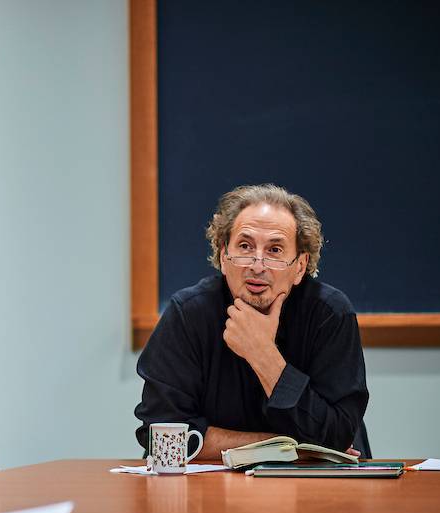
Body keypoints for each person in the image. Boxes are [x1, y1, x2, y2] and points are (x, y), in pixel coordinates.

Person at [134, 184, 370, 460]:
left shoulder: (329, 314)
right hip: (213, 485)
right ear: (224, 257)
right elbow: (160, 437)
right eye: (245, 246)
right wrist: (284, 447)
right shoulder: (188, 314)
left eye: (274, 250)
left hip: (316, 484)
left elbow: (338, 436)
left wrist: (263, 355)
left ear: (300, 266)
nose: (257, 266)